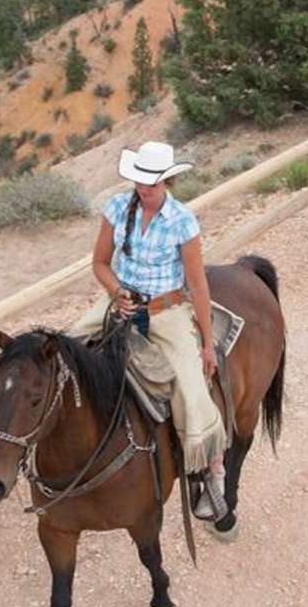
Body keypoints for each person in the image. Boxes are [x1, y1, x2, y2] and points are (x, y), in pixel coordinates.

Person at [66, 141, 228, 521]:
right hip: (121, 302)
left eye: (151, 184)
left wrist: (206, 343)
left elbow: (198, 284)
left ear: (167, 181)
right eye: (140, 181)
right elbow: (100, 264)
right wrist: (115, 291)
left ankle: (212, 472)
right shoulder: (117, 208)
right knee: (65, 349)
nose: (143, 189)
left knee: (190, 387)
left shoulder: (183, 221)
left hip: (165, 311)